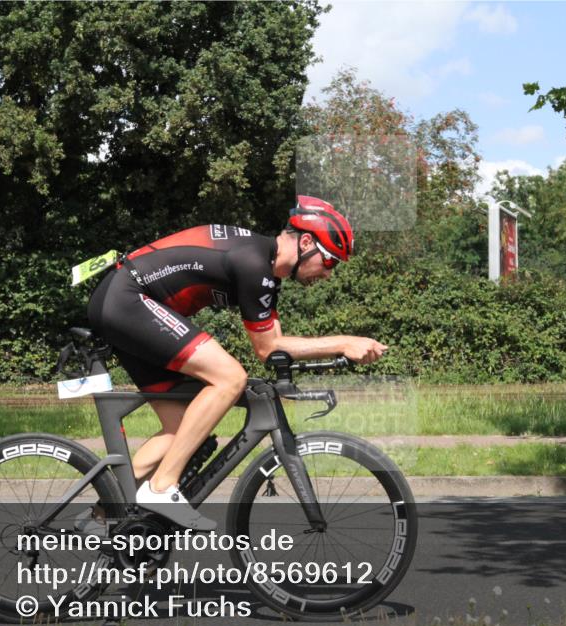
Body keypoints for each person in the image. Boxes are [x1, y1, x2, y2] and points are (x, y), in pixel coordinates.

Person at [86, 196, 387, 530]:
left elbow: (276, 346)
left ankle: (100, 517)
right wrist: (344, 342)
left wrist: (337, 350)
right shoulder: (253, 262)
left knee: (183, 428)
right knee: (230, 378)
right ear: (305, 242)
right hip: (128, 298)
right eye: (330, 262)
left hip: (127, 302)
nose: (328, 274)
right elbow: (267, 348)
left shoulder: (266, 272)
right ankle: (162, 487)